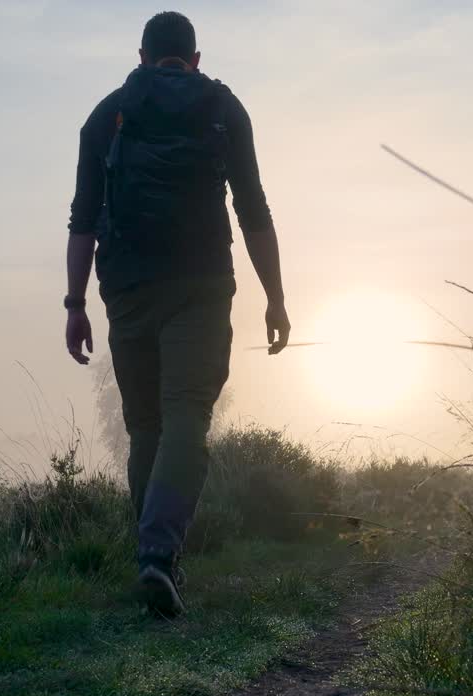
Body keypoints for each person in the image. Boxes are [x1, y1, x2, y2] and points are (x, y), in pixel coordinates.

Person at [63, 11, 290, 616]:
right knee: (187, 415)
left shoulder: (107, 114)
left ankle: (153, 560)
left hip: (128, 288)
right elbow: (253, 210)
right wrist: (275, 296)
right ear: (194, 57)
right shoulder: (222, 108)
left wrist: (74, 303)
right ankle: (157, 558)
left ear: (141, 56)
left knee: (144, 427)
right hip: (202, 284)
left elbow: (83, 219)